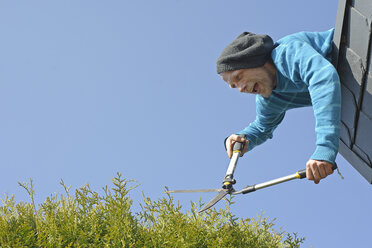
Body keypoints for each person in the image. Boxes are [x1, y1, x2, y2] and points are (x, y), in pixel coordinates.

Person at [217, 29, 341, 184]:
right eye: (235, 86)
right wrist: (241, 138)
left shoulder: (285, 54)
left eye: (239, 77)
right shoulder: (268, 98)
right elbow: (262, 128)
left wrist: (325, 148)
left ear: (253, 60)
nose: (241, 89)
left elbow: (323, 77)